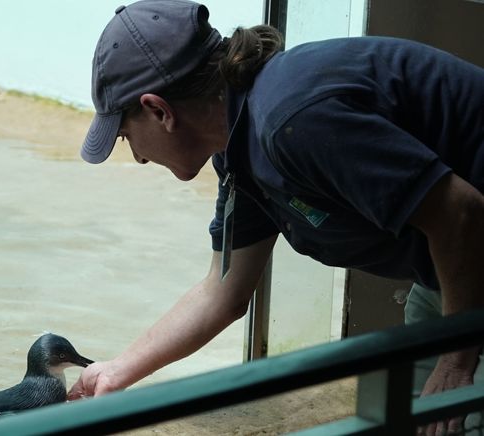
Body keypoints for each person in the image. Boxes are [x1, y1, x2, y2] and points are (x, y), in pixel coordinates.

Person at [68, 0, 484, 434]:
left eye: (124, 134)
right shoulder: (240, 147)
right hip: (450, 277)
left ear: (159, 111)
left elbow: (461, 213)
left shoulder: (295, 118)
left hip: (468, 261)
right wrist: (117, 371)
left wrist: (457, 360)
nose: (136, 155)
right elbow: (222, 292)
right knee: (410, 420)